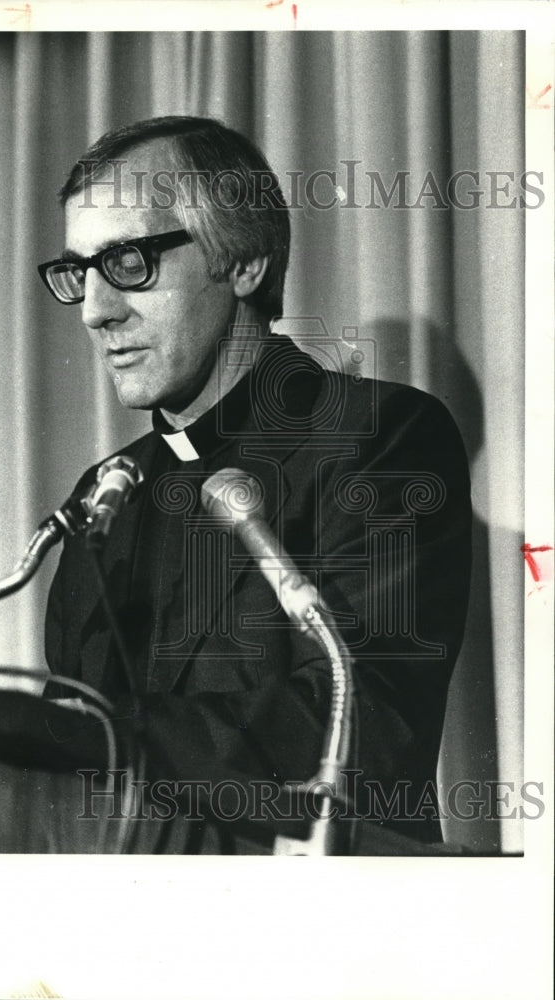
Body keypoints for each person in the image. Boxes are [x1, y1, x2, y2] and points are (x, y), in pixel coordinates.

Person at [40, 116, 472, 854]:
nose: (94, 311)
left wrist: (86, 738)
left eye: (131, 262)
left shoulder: (380, 437)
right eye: (79, 271)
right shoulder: (109, 492)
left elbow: (357, 722)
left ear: (245, 263)